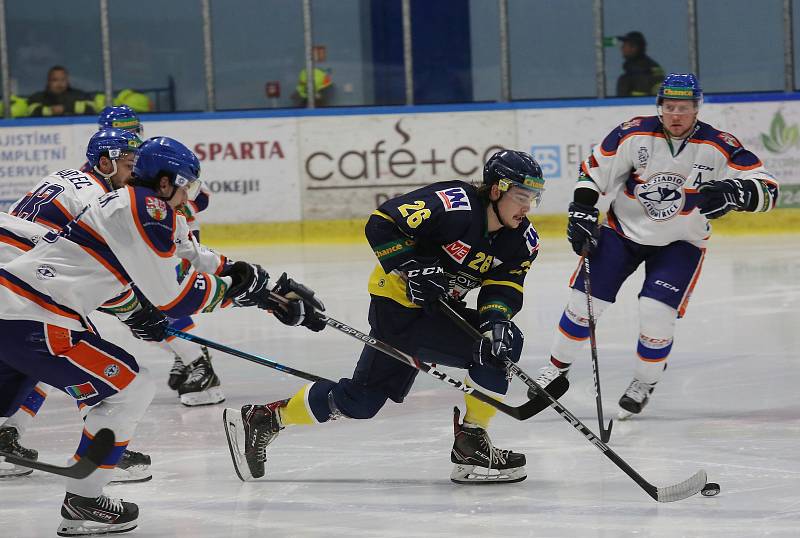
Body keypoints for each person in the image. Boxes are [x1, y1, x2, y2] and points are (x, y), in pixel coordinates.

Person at [0, 135, 325, 535]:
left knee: (117, 385)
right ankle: (83, 500)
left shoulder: (135, 204)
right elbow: (174, 296)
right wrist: (242, 293)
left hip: (27, 308)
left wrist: (251, 281)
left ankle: (73, 482)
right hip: (33, 313)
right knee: (128, 389)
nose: (188, 196)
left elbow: (180, 256)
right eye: (184, 185)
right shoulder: (146, 207)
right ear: (166, 182)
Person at [224, 150, 545, 484]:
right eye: (521, 197)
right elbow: (382, 223)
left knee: (362, 401)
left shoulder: (522, 240)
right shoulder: (454, 204)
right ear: (496, 189)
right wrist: (412, 267)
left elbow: (505, 285)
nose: (527, 207)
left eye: (534, 199)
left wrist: (496, 320)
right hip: (397, 309)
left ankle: (265, 419)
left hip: (434, 313)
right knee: (487, 350)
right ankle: (471, 443)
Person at [531, 73, 779, 420]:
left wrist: (739, 192)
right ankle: (556, 369)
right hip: (622, 233)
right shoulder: (633, 133)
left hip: (681, 242)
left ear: (697, 109)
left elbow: (767, 188)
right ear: (659, 108)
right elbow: (593, 172)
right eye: (670, 107)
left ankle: (643, 382)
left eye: (685, 108)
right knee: (583, 304)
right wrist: (583, 209)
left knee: (655, 313)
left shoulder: (719, 144)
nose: (677, 115)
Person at [1, 128, 148, 481]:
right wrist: (136, 310)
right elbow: (101, 276)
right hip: (22, 285)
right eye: (129, 165)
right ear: (104, 163)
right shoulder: (99, 202)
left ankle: (9, 435)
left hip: (17, 282)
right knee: (78, 349)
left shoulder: (68, 178)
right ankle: (110, 452)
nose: (135, 175)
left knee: (30, 357)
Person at [95, 105, 221, 406]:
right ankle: (187, 354)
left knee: (153, 301)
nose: (130, 138)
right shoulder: (130, 166)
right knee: (154, 303)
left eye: (133, 132)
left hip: (173, 237)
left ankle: (195, 360)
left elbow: (199, 196)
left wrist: (175, 210)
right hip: (160, 237)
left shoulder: (146, 164)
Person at [27, 66, 96, 117]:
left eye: (63, 80)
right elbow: (31, 111)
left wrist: (66, 108)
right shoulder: (39, 97)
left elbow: (91, 108)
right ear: (48, 82)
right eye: (55, 80)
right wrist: (50, 111)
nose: (59, 84)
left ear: (67, 80)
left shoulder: (79, 95)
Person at [615, 31, 664, 97]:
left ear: (634, 47)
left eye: (625, 45)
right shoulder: (651, 66)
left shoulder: (640, 71)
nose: (622, 48)